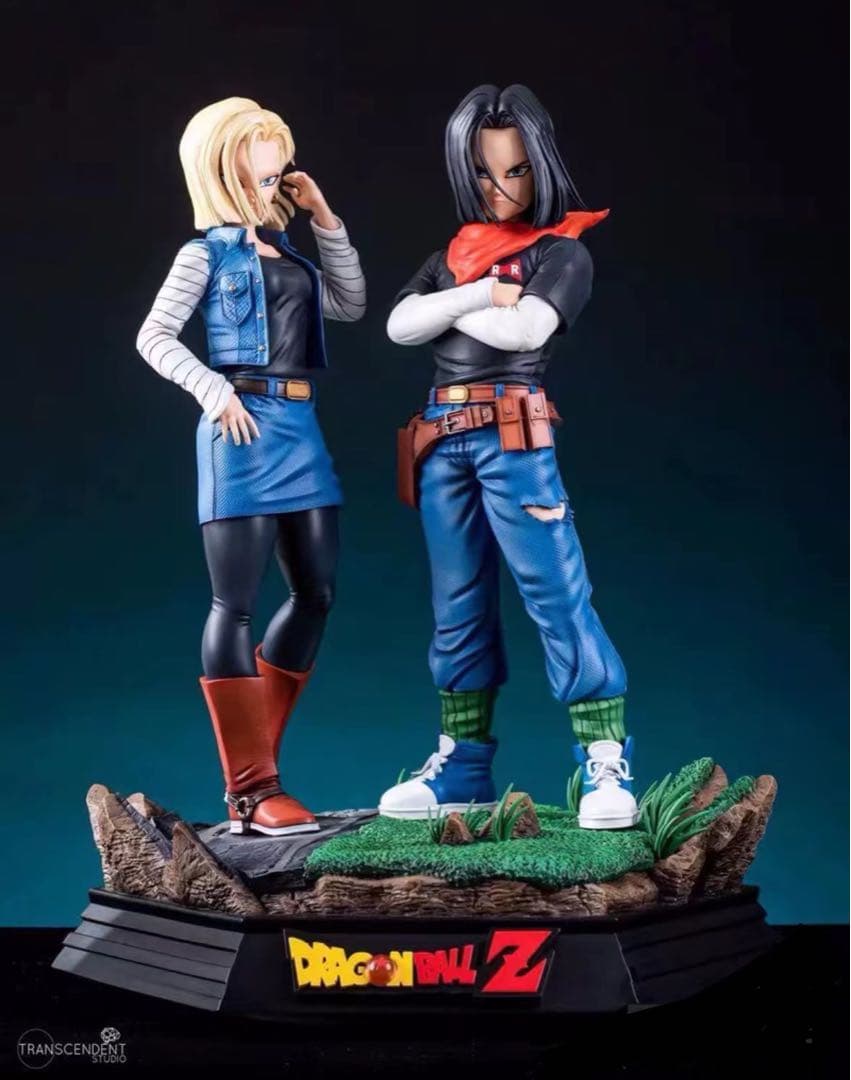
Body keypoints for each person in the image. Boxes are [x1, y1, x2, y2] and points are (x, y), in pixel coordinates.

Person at [379, 84, 637, 830]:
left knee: (555, 591)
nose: (499, 188)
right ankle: (462, 763)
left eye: (515, 170)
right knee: (456, 603)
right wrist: (478, 295)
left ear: (540, 165)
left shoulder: (560, 251)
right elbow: (400, 324)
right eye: (484, 172)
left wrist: (459, 306)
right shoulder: (454, 254)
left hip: (514, 434)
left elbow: (525, 330)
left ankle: (604, 759)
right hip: (439, 439)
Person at [136, 97, 365, 836]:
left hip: (299, 424)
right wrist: (212, 389)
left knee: (316, 593)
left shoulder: (289, 254)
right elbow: (154, 336)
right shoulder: (202, 255)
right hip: (239, 427)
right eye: (255, 171)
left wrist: (324, 219)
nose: (268, 185)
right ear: (219, 170)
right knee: (232, 604)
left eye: (272, 171)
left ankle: (255, 763)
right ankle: (252, 790)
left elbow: (350, 304)